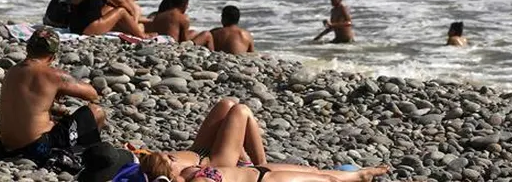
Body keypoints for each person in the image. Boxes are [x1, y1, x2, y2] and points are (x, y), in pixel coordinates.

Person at [136, 98, 388, 182]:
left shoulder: (183, 172)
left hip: (254, 171)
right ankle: (360, 176)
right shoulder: (191, 177)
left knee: (317, 172)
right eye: (168, 158)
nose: (170, 154)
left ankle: (360, 175)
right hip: (254, 175)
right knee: (326, 179)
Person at [0, 28, 107, 165]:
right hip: (36, 148)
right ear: (53, 56)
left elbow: (28, 107)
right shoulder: (52, 75)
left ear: (28, 48)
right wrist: (61, 90)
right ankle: (86, 156)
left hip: (4, 148)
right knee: (97, 112)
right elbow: (92, 94)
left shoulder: (12, 71)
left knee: (55, 116)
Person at [148, 0, 214, 50]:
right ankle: (213, 55)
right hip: (174, 47)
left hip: (160, 44)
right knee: (207, 34)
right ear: (185, 4)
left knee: (193, 32)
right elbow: (183, 41)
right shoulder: (183, 17)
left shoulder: (159, 16)